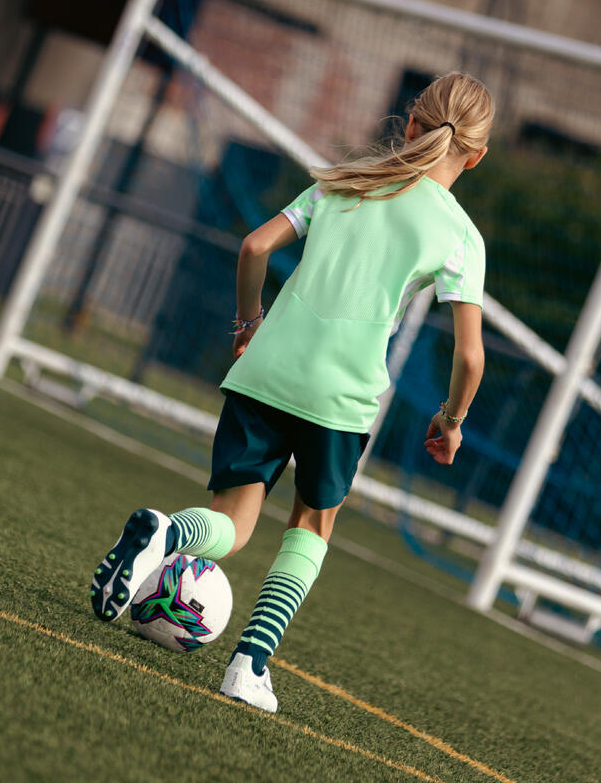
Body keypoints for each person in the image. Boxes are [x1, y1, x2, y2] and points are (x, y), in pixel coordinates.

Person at [90, 71, 493, 713]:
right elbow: (469, 356)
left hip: (264, 373)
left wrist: (248, 325)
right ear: (476, 155)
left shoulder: (348, 180)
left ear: (412, 123)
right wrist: (451, 418)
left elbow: (254, 245)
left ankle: (167, 533)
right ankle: (247, 667)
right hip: (341, 398)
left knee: (231, 523)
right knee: (311, 527)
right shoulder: (461, 237)